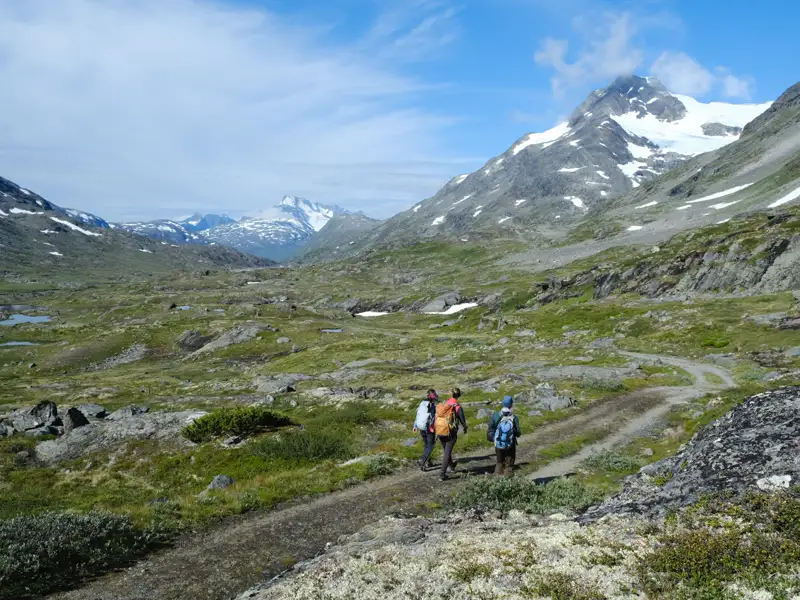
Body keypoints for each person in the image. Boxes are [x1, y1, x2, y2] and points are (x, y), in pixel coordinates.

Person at [434, 387, 468, 481]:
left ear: (451, 394)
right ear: (459, 395)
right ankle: (442, 474)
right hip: (450, 432)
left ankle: (452, 466)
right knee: (447, 453)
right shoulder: (457, 406)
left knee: (446, 450)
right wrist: (465, 428)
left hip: (440, 429)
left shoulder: (446, 403)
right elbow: (462, 420)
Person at [487, 395, 521, 477]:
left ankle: (497, 482)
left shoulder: (496, 415)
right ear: (511, 405)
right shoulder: (514, 417)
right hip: (510, 444)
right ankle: (508, 483)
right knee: (509, 465)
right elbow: (518, 433)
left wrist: (494, 438)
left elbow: (491, 429)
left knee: (499, 462)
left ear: (503, 404)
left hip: (498, 443)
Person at [413, 389, 438, 470]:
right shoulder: (433, 405)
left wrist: (415, 426)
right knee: (430, 446)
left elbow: (418, 414)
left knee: (426, 445)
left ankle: (428, 462)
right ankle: (422, 460)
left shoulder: (422, 403)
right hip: (429, 428)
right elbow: (435, 417)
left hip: (421, 427)